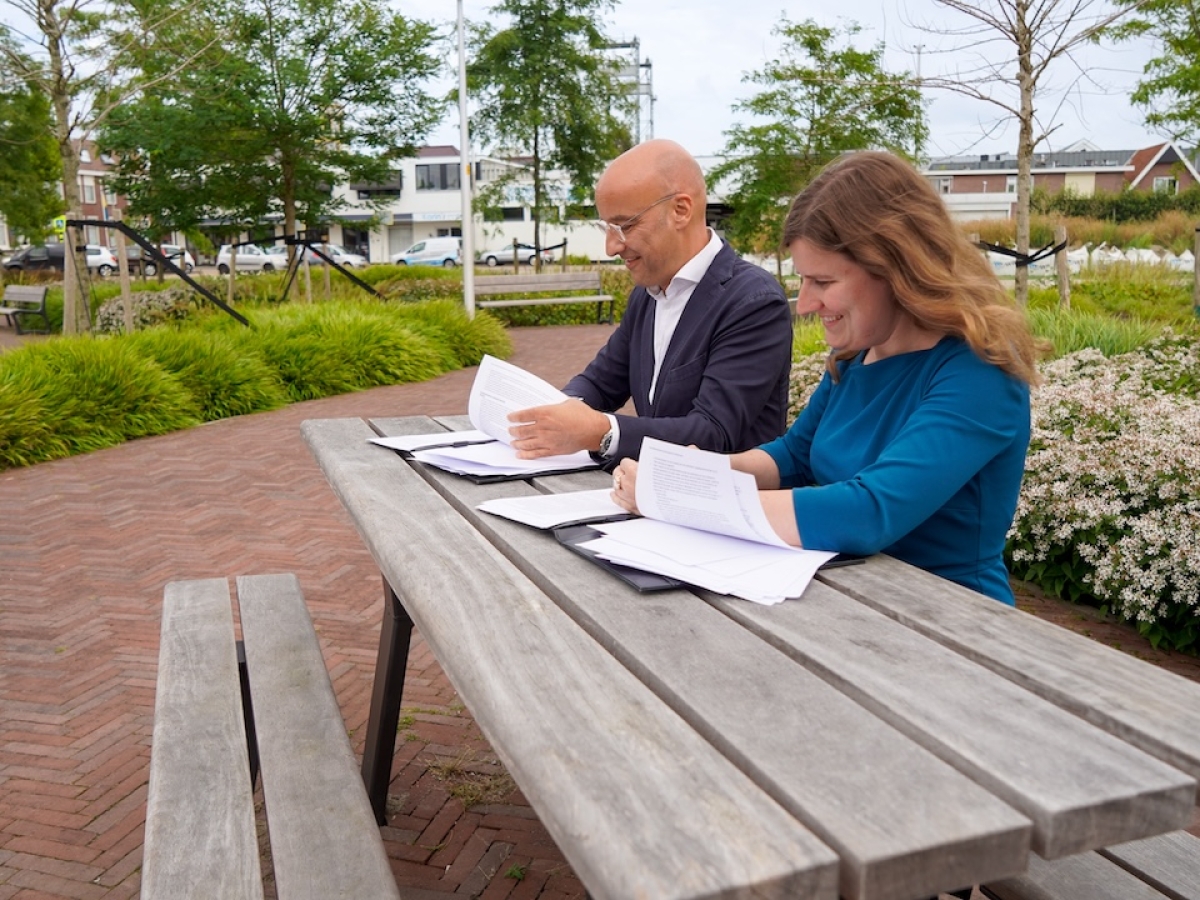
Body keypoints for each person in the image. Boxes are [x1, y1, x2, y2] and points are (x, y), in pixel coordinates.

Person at [611, 150, 1044, 606]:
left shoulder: (979, 373)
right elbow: (794, 456)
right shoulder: (857, 354)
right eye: (804, 280)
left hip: (951, 619)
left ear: (896, 267)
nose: (805, 304)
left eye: (823, 281)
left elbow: (869, 510)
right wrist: (697, 471)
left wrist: (683, 497)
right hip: (848, 599)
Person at [506, 139, 793, 466]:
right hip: (652, 502)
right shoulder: (648, 294)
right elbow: (601, 382)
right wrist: (556, 411)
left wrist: (601, 431)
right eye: (607, 227)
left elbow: (713, 432)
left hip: (725, 507)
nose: (611, 247)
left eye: (625, 226)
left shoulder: (753, 302)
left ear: (680, 210)